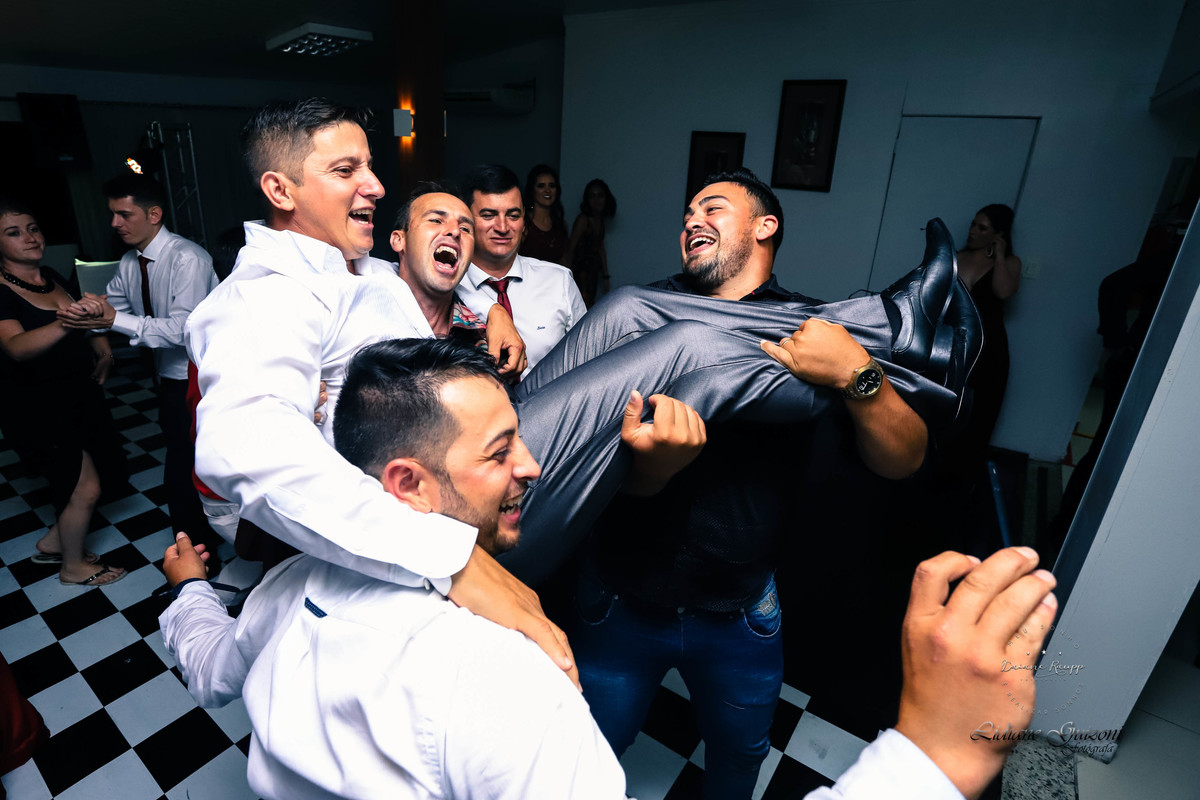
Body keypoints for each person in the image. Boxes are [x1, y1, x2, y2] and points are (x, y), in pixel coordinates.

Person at [513, 167, 976, 798]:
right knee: (584, 759)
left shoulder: (816, 331)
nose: (691, 220)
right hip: (620, 596)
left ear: (765, 226)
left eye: (712, 207)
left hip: (738, 612)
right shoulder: (643, 316)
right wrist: (655, 469)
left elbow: (904, 458)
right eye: (686, 214)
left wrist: (857, 373)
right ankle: (903, 336)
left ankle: (893, 339)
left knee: (736, 766)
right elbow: (592, 464)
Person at [160, 339, 629, 800]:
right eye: (499, 451)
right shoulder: (507, 679)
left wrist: (191, 588)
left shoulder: (291, 583)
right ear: (409, 483)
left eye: (518, 438)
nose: (532, 467)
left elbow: (210, 669)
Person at [57, 174, 222, 558]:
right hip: (167, 379)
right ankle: (197, 551)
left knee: (191, 468)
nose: (115, 223)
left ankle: (198, 555)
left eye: (124, 214)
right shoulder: (132, 262)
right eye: (112, 215)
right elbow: (111, 308)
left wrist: (112, 318)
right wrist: (89, 312)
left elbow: (181, 330)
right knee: (184, 462)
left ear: (154, 214)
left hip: (201, 379)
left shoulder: (188, 259)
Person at [0, 198, 128, 586]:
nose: (29, 237)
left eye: (33, 228)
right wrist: (66, 321)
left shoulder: (52, 275)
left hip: (78, 395)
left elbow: (87, 321)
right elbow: (16, 347)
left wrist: (103, 350)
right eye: (14, 232)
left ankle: (55, 542)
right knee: (83, 485)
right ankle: (72, 568)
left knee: (103, 470)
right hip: (38, 405)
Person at [455, 164, 587, 373]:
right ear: (466, 221)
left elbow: (587, 360)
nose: (502, 227)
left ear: (524, 220)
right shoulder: (448, 285)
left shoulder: (559, 281)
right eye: (488, 215)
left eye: (513, 215)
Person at [946, 204, 1022, 470]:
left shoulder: (1010, 263)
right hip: (953, 342)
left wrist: (999, 256)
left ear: (999, 234)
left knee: (981, 413)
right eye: (973, 224)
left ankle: (964, 474)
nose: (973, 231)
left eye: (982, 228)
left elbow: (1003, 292)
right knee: (946, 405)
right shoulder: (956, 257)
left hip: (990, 349)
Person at [390, 182, 490, 349]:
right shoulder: (360, 318)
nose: (455, 231)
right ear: (399, 240)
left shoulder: (490, 342)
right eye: (436, 220)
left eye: (465, 229)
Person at [564, 178, 616, 306]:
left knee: (589, 303)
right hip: (579, 271)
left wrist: (606, 276)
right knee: (579, 305)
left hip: (592, 271)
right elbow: (570, 247)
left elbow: (600, 247)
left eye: (600, 196)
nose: (596, 200)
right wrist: (565, 277)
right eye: (592, 196)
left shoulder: (600, 220)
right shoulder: (583, 220)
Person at [520, 164, 568, 263]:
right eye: (541, 186)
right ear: (532, 190)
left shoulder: (561, 225)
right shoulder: (523, 224)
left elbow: (565, 261)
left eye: (552, 185)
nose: (547, 190)